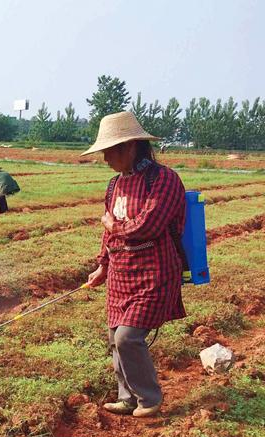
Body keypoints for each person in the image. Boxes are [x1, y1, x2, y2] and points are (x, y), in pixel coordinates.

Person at [84, 111, 186, 418]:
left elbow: (149, 225)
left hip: (155, 273)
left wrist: (115, 226)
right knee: (115, 337)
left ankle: (149, 398)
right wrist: (103, 265)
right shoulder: (115, 184)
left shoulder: (164, 179)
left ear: (129, 147)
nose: (104, 159)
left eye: (108, 151)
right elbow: (108, 231)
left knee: (127, 337)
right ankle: (126, 397)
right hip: (120, 273)